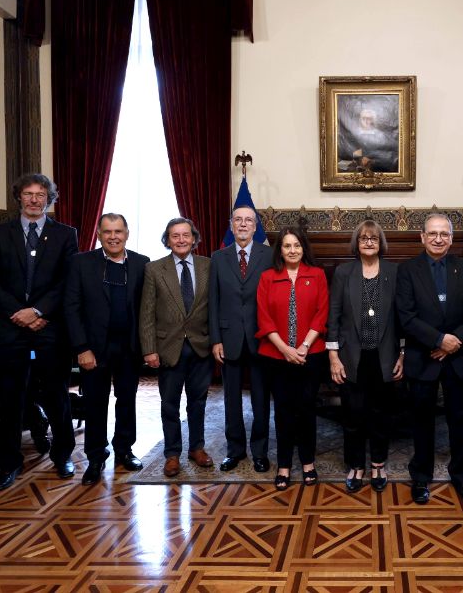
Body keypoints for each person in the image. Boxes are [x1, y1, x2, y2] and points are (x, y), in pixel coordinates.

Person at [0, 173, 78, 491]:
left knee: (56, 397)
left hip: (49, 329)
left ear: (50, 198)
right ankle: (9, 464)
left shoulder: (66, 235)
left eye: (41, 194)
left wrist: (37, 312)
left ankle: (63, 456)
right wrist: (18, 313)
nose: (35, 199)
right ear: (18, 197)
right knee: (10, 401)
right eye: (28, 194)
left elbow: (68, 281)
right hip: (9, 331)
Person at [396, 213, 463, 505]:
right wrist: (438, 340)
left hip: (458, 359)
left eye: (444, 234)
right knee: (421, 422)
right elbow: (405, 317)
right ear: (422, 237)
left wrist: (452, 343)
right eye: (432, 233)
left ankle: (462, 477)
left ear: (451, 238)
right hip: (423, 358)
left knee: (461, 422)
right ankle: (420, 477)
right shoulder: (408, 270)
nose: (438, 239)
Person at [63, 213, 149, 485]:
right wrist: (81, 348)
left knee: (127, 400)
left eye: (118, 231)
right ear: (99, 234)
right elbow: (71, 308)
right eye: (108, 231)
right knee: (95, 403)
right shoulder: (80, 263)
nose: (113, 236)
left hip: (129, 347)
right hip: (94, 349)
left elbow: (146, 309)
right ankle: (96, 457)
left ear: (127, 233)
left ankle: (124, 449)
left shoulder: (141, 263)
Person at [326, 220, 403, 492]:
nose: (368, 242)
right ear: (356, 244)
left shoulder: (394, 271)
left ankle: (378, 465)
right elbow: (333, 316)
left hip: (384, 357)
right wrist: (333, 357)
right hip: (350, 357)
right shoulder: (344, 272)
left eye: (373, 238)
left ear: (380, 243)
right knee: (353, 415)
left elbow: (402, 317)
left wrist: (402, 354)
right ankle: (356, 465)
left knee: (381, 415)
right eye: (363, 238)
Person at [255, 227, 329, 490]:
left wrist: (304, 346)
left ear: (303, 248)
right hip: (276, 356)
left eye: (296, 245)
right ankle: (284, 464)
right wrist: (285, 349)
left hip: (312, 354)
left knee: (307, 409)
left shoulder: (317, 275)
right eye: (287, 246)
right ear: (280, 250)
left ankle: (308, 463)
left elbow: (322, 313)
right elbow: (263, 318)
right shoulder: (267, 278)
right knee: (283, 411)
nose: (292, 250)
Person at [140, 217, 213, 478]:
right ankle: (172, 454)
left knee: (199, 401)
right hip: (168, 347)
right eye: (175, 236)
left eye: (185, 235)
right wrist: (149, 348)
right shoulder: (154, 269)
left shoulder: (208, 265)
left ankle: (197, 448)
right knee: (169, 404)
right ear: (167, 240)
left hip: (200, 346)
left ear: (194, 238)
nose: (181, 240)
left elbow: (214, 307)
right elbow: (146, 312)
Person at [209, 205, 274, 473]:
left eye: (249, 220)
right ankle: (234, 450)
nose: (244, 224)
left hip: (262, 338)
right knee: (231, 399)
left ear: (255, 226)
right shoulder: (218, 257)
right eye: (238, 220)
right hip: (229, 338)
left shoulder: (269, 255)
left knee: (261, 398)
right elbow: (213, 301)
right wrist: (216, 339)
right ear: (231, 225)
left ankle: (259, 452)